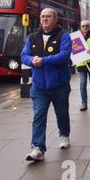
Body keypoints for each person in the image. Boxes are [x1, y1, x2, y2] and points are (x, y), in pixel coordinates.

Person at [21, 8, 72, 162]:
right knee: (38, 116)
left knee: (62, 113)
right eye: (43, 17)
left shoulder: (63, 36)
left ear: (55, 19)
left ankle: (64, 135)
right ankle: (38, 148)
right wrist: (31, 61)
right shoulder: (32, 37)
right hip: (39, 87)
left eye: (48, 17)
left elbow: (64, 55)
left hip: (59, 85)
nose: (45, 19)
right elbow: (24, 56)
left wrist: (43, 60)